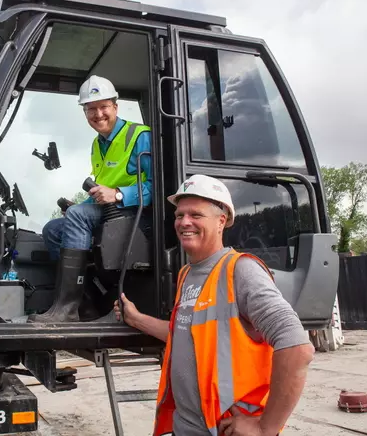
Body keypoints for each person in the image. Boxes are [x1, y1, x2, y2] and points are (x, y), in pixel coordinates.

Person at [114, 174, 314, 436]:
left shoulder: (240, 271)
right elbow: (185, 335)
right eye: (179, 215)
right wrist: (136, 319)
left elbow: (297, 348)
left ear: (221, 221)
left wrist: (266, 427)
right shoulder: (187, 274)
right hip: (186, 427)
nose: (184, 222)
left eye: (196, 215)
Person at [29, 75, 152, 323]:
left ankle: (67, 309)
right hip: (107, 212)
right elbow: (101, 189)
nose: (98, 114)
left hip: (133, 213)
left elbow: (159, 185)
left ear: (115, 107)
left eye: (103, 107)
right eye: (91, 109)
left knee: (77, 217)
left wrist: (118, 194)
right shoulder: (98, 145)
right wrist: (80, 207)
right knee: (53, 229)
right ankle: (84, 303)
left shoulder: (139, 136)